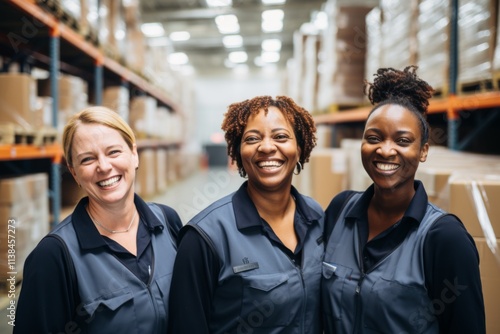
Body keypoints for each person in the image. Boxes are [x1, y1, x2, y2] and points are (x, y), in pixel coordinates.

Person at [321, 66, 485, 333]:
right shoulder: (340, 211)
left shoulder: (444, 238)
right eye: (373, 138)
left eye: (403, 140)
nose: (385, 150)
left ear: (423, 151)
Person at [15, 106, 182, 333]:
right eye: (87, 159)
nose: (104, 167)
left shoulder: (167, 222)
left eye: (113, 152)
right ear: (74, 173)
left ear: (134, 154)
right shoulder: (54, 256)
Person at [168, 95, 325, 333]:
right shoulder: (204, 237)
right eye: (252, 139)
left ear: (300, 148)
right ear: (238, 151)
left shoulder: (317, 218)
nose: (267, 147)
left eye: (281, 136)